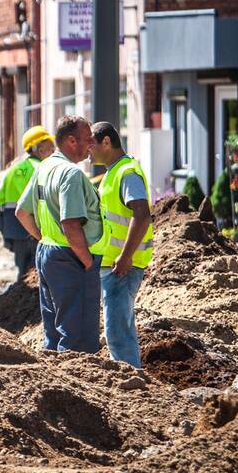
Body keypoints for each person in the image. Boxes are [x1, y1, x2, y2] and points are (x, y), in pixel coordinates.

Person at [15, 116, 104, 354]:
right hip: (72, 259)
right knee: (78, 339)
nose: (92, 144)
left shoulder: (45, 167)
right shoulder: (71, 174)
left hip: (48, 253)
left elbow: (22, 212)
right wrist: (86, 261)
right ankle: (77, 387)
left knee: (55, 333)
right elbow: (71, 224)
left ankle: (55, 384)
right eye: (87, 139)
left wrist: (45, 238)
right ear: (71, 141)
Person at [90, 122, 152, 368]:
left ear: (107, 142)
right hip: (115, 264)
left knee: (118, 332)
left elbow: (142, 214)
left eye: (91, 144)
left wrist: (126, 257)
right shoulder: (112, 173)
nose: (88, 151)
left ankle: (131, 382)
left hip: (123, 266)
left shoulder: (126, 172)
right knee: (117, 329)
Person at [0, 125, 56, 280]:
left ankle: (21, 304)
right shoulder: (43, 168)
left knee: (23, 278)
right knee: (40, 276)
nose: (53, 152)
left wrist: (8, 235)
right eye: (51, 149)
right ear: (40, 150)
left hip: (16, 234)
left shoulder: (13, 170)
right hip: (37, 231)